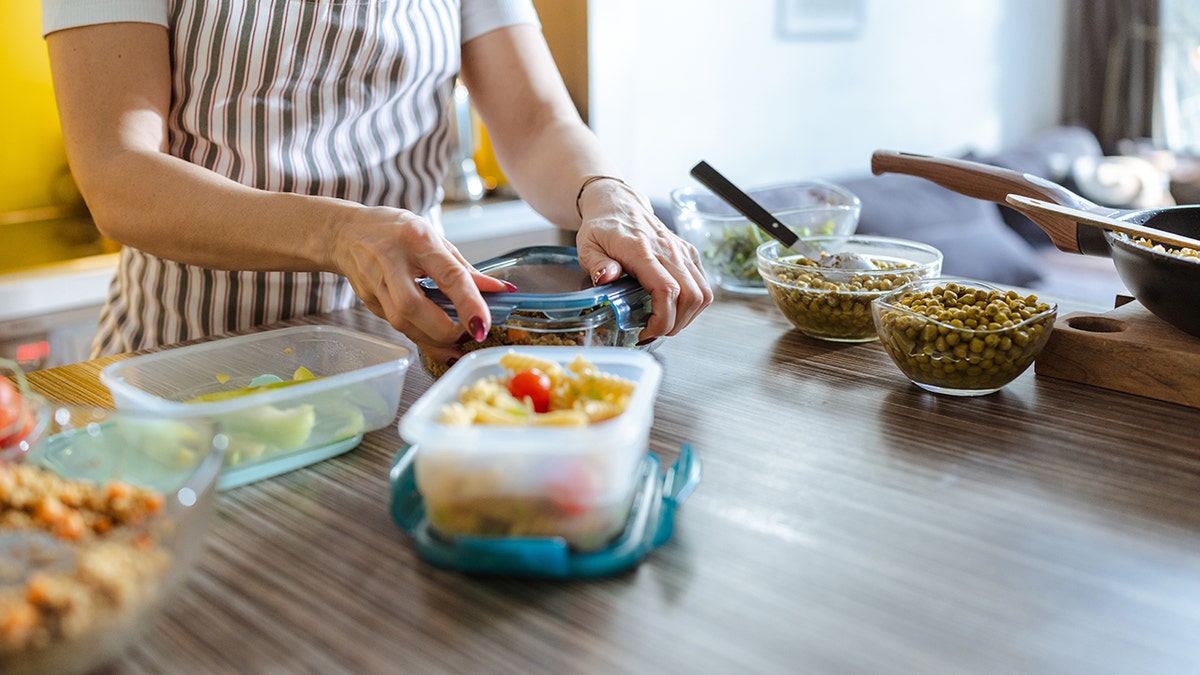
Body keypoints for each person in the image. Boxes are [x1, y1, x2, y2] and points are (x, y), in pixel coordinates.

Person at [41, 1, 712, 368]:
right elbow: (117, 174)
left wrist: (603, 191)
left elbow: (536, 123)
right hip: (182, 366)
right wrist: (336, 232)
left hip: (407, 367)